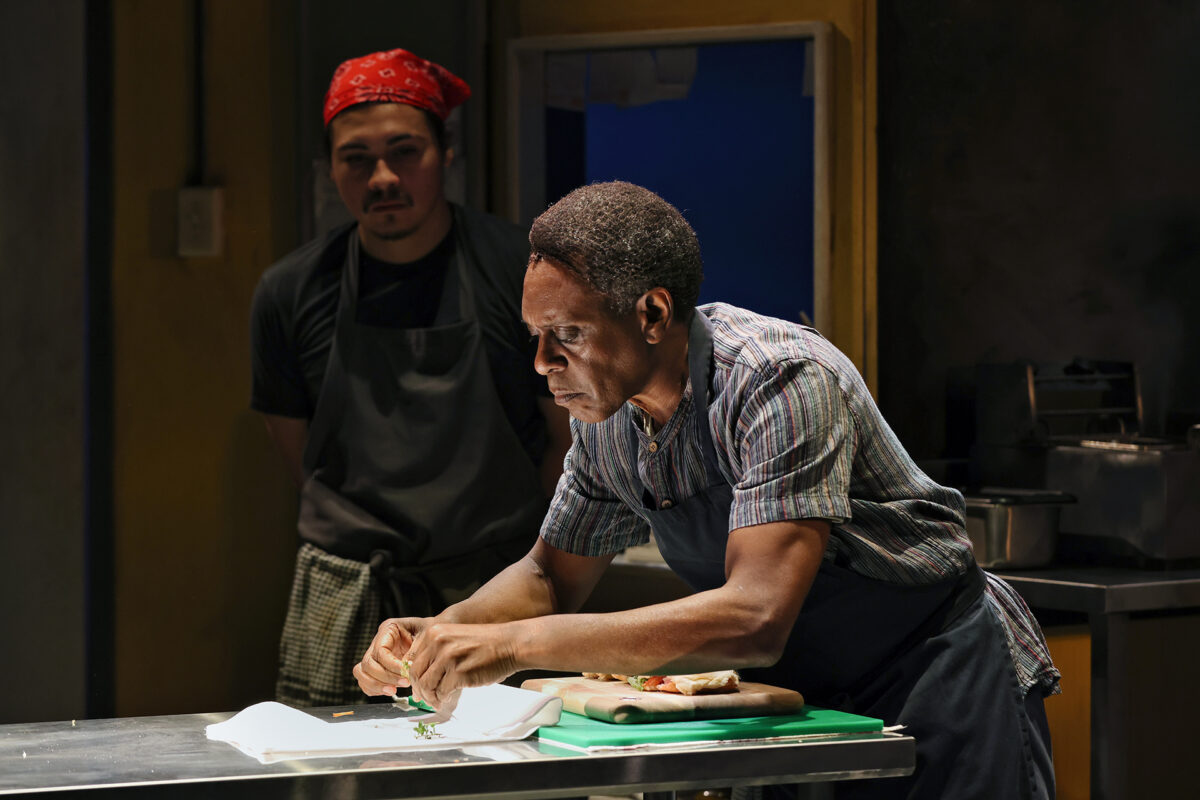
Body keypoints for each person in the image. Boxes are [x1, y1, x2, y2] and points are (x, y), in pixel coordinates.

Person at [354, 181, 1059, 798]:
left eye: (566, 333)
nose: (542, 363)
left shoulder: (777, 380)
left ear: (653, 315)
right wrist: (447, 632)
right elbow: (548, 573)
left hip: (936, 672)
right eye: (535, 336)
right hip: (806, 694)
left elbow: (755, 617)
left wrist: (515, 646)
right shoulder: (609, 415)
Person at [250, 48, 570, 707]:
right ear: (331, 167)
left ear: (445, 151)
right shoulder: (290, 292)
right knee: (334, 776)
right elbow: (299, 456)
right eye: (357, 158)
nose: (383, 177)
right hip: (346, 598)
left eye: (405, 151)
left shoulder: (518, 272)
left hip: (493, 593)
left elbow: (567, 440)